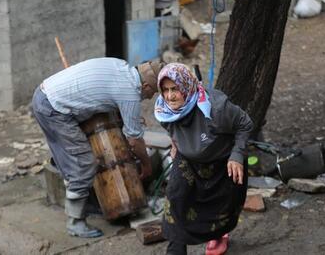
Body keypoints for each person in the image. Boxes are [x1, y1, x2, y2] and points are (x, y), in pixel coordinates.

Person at [31, 57, 163, 238]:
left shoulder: (121, 66)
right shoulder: (130, 93)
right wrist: (146, 164)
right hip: (55, 110)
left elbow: (106, 93)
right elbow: (134, 140)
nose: (150, 97)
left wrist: (127, 117)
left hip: (43, 95)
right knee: (83, 164)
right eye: (153, 93)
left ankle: (87, 203)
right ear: (146, 87)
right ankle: (75, 222)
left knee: (69, 161)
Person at [153, 63, 253, 255]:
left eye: (175, 89)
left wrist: (237, 154)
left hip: (223, 160)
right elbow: (172, 130)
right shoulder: (164, 111)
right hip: (188, 159)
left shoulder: (216, 109)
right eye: (165, 90)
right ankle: (176, 249)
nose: (169, 96)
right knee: (176, 195)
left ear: (186, 87)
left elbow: (245, 124)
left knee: (220, 204)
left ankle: (217, 235)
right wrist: (176, 145)